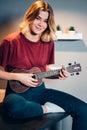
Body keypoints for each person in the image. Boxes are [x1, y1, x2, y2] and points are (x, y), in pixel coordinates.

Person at [0, 1, 87, 130]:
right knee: (14, 108)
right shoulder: (10, 41)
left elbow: (43, 69)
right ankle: (47, 109)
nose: (41, 24)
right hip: (16, 95)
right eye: (38, 18)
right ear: (30, 17)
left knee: (83, 109)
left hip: (41, 91)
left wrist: (58, 74)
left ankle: (41, 107)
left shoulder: (48, 42)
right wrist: (17, 77)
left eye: (45, 21)